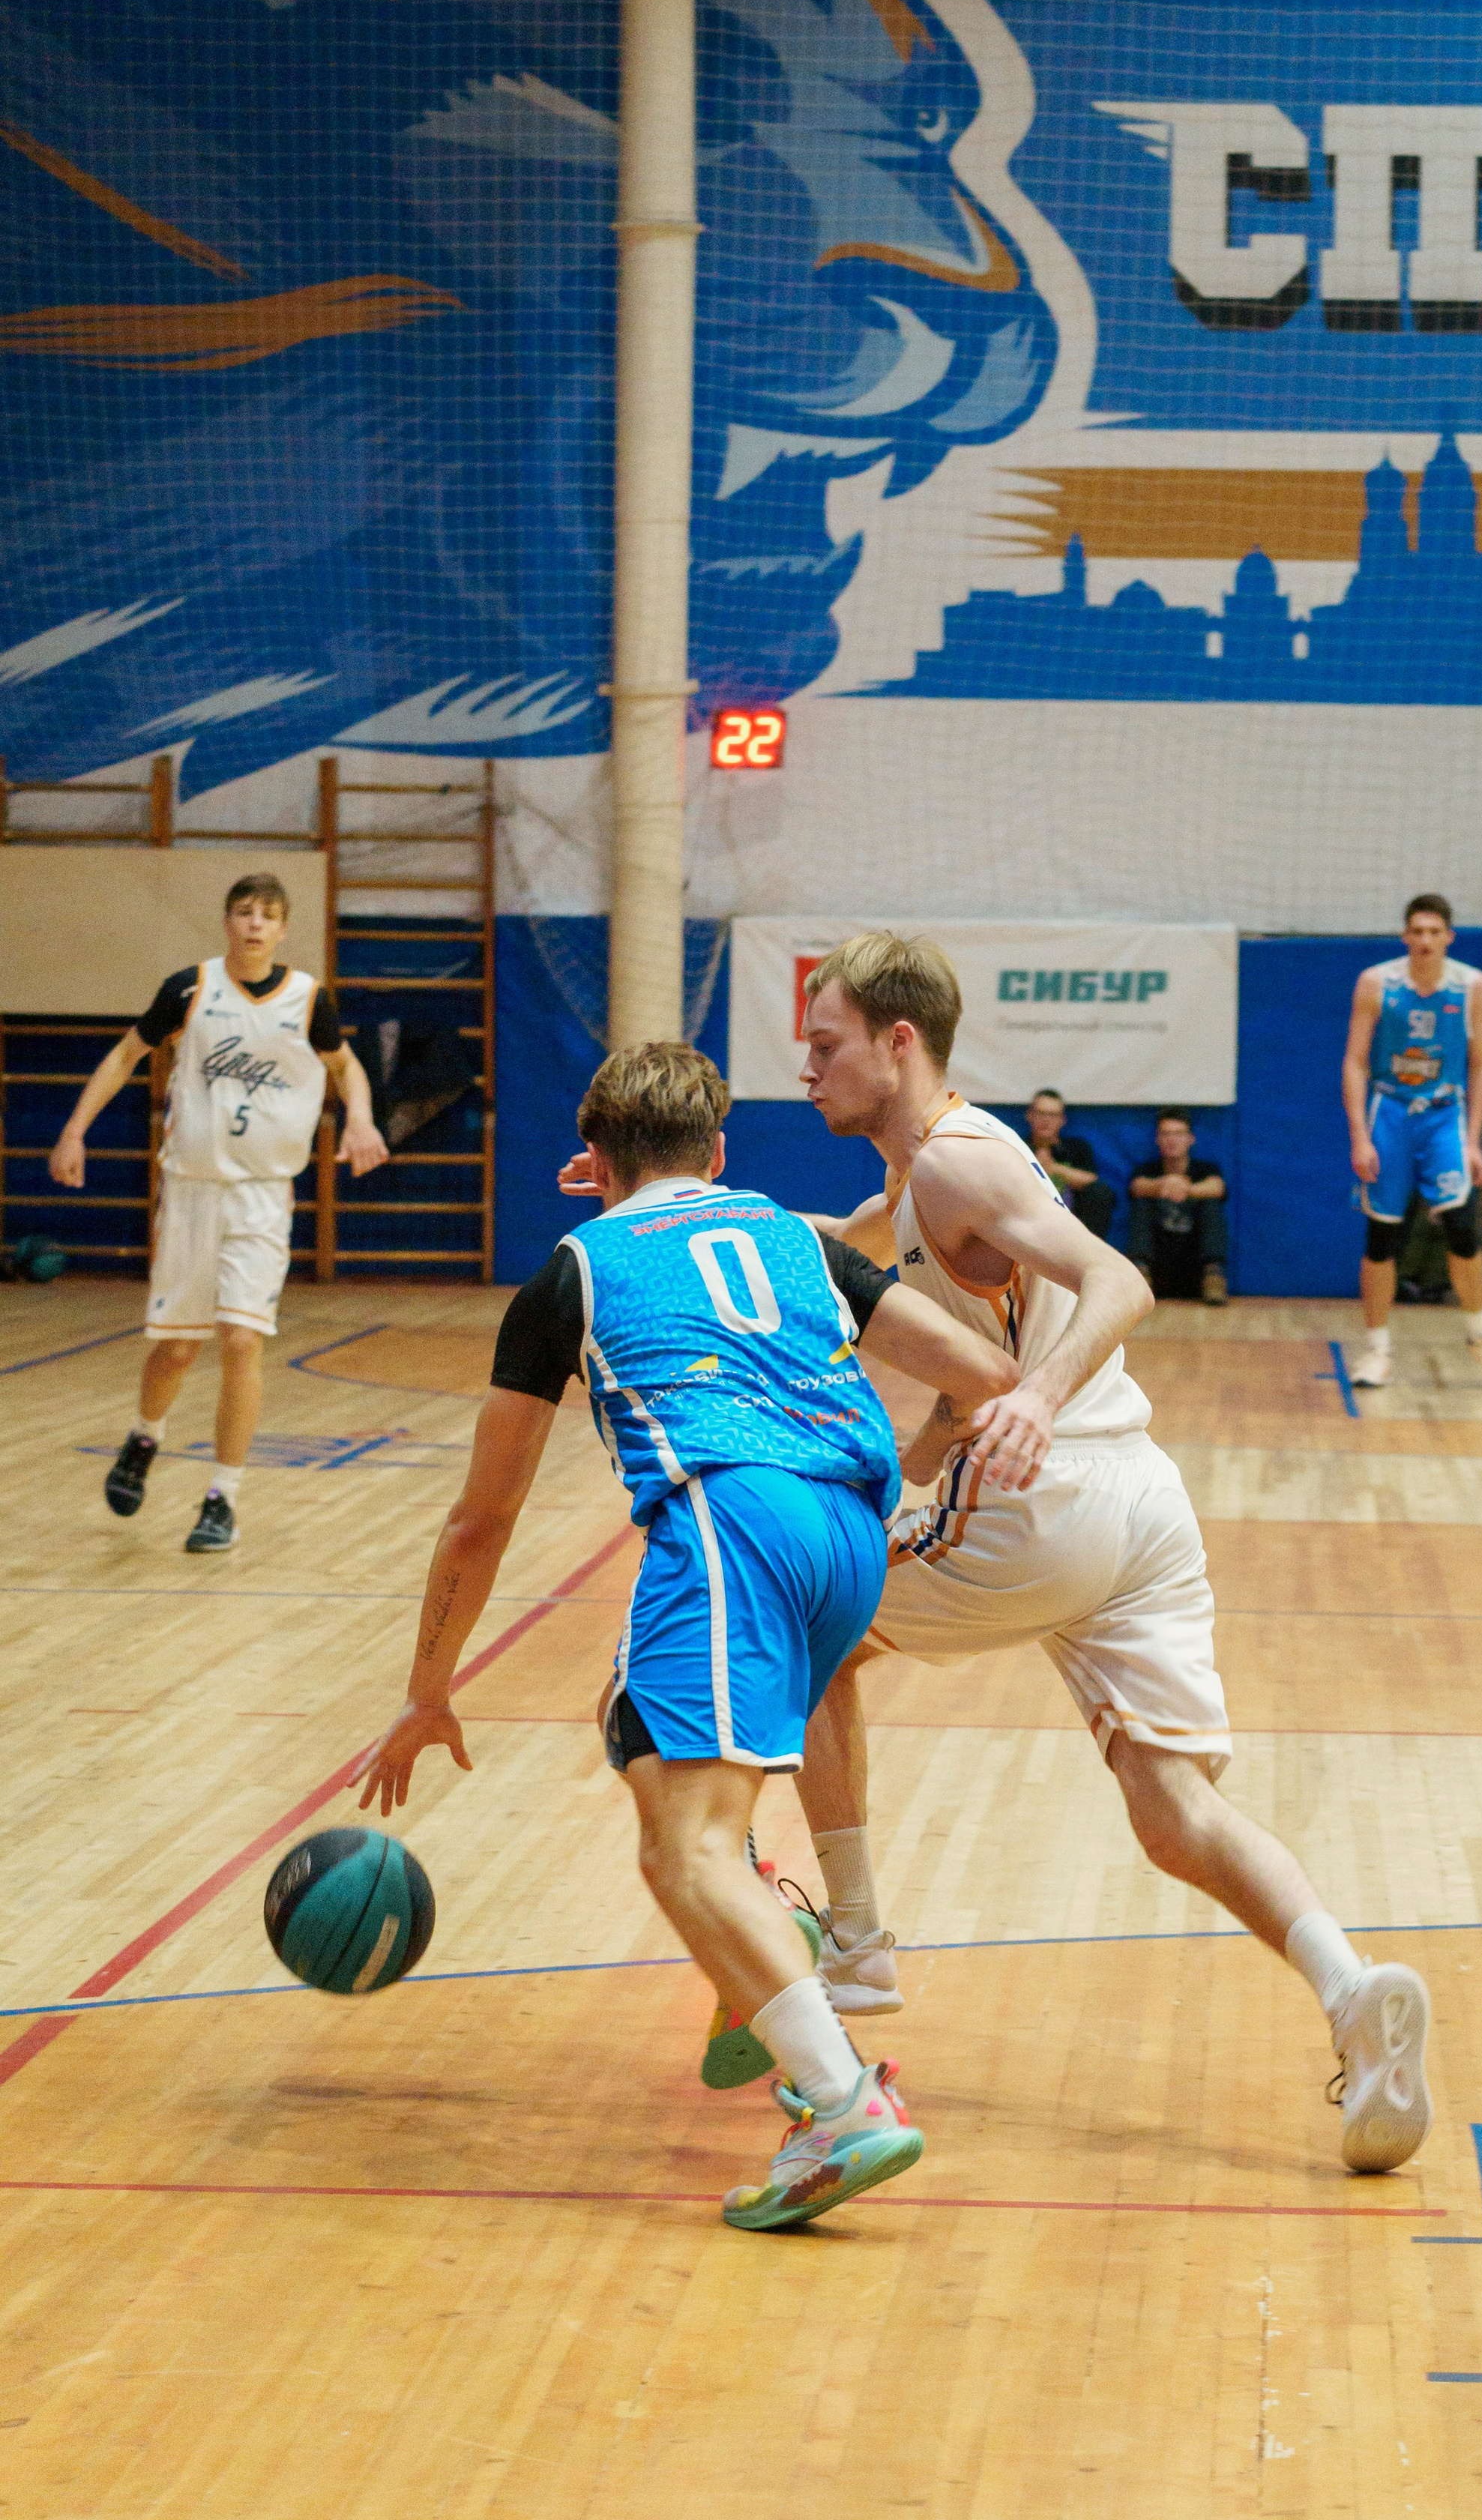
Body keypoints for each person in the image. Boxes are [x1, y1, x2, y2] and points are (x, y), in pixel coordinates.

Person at [357, 1040, 1023, 2234]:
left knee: (683, 1851)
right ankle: (773, 1923)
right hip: (851, 1540)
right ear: (717, 1152)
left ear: (597, 1158)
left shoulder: (574, 1271)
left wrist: (427, 1690)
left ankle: (838, 2100)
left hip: (733, 1522)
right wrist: (913, 1461)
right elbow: (984, 1370)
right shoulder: (797, 1237)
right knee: (641, 1727)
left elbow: (480, 1520)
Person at [795, 932, 1432, 2177]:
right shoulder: (925, 1175)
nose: (807, 1068)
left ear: (898, 1042)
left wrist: (1034, 1399)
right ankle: (1354, 1992)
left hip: (1052, 1499)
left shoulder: (962, 1160)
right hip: (1141, 1503)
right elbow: (830, 1238)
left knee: (805, 1621)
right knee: (1174, 1813)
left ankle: (856, 1946)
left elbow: (1120, 1279)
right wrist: (658, 1198)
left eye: (826, 1045)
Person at [50, 872, 386, 1552]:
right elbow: (125, 1055)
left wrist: (361, 1117)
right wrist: (74, 1130)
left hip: (263, 1194)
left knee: (241, 1341)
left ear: (283, 930)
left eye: (267, 915)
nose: (255, 923)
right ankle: (145, 1436)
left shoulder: (308, 998)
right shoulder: (189, 989)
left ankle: (221, 1500)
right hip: (191, 1191)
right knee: (177, 1349)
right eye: (244, 912)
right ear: (228, 922)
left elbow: (346, 1066)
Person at [1342, 892, 1482, 1390]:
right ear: (1405, 936)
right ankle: (1377, 1350)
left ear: (1449, 937)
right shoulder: (1377, 983)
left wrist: (1474, 1140)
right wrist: (1360, 1136)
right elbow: (1354, 1060)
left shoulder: (1471, 985)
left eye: (1434, 932)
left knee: (1463, 1228)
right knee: (1382, 1236)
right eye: (1417, 931)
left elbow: (1481, 1065)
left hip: (1445, 1115)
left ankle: (1481, 1339)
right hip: (1391, 1112)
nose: (1425, 940)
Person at [1129, 1107, 1229, 1305]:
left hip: (1195, 1265)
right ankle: (1141, 1276)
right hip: (1159, 1266)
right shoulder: (1147, 1170)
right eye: (1166, 1134)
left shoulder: (1206, 1169)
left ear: (1191, 1139)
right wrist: (1164, 1184)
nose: (1172, 1140)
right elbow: (1137, 1187)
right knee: (1141, 1203)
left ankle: (1214, 1277)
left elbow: (1218, 1188)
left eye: (1179, 1134)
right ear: (1157, 1139)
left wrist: (1186, 1188)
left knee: (1211, 1203)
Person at [1022, 1088, 1115, 1241]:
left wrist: (1053, 1168)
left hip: (1073, 1219)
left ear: (1063, 1120)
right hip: (1028, 1217)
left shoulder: (1076, 1147)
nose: (1046, 1120)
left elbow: (1090, 1180)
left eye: (1053, 1115)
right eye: (1041, 1114)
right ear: (1029, 1116)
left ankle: (1090, 1247)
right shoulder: (1016, 1146)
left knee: (1101, 1192)